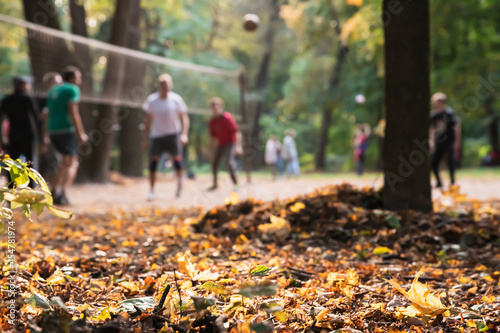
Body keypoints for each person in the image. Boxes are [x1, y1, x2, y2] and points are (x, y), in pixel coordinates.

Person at [142, 74, 190, 200]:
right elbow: (147, 121)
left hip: (173, 134)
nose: (165, 86)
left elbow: (184, 118)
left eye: (167, 84)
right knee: (153, 163)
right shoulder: (152, 100)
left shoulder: (176, 99)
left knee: (177, 161)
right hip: (157, 135)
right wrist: (144, 139)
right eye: (163, 84)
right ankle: (152, 190)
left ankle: (180, 183)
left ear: (170, 85)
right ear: (159, 86)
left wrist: (184, 134)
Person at [46, 67, 88, 205]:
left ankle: (54, 191)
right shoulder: (72, 89)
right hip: (65, 130)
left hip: (53, 131)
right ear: (72, 78)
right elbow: (73, 112)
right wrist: (80, 132)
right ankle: (62, 193)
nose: (80, 81)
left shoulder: (53, 90)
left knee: (63, 163)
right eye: (78, 77)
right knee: (72, 163)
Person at [0, 76, 41, 167]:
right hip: (27, 136)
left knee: (13, 164)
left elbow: (1, 120)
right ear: (22, 85)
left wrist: (2, 138)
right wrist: (41, 137)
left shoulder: (7, 100)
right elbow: (35, 119)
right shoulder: (28, 99)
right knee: (29, 165)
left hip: (13, 135)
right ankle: (29, 182)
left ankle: (12, 181)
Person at [429, 92, 461, 188]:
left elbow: (457, 128)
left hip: (449, 141)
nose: (436, 105)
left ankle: (452, 182)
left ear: (443, 103)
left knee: (450, 162)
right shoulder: (433, 115)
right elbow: (432, 129)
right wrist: (431, 140)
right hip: (439, 143)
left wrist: (456, 142)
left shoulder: (449, 114)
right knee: (434, 162)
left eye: (438, 102)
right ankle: (439, 182)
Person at [208, 97, 240, 191]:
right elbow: (213, 138)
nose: (215, 107)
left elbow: (236, 132)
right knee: (214, 163)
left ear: (221, 106)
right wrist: (211, 150)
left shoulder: (227, 118)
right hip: (220, 144)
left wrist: (238, 146)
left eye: (217, 105)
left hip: (230, 143)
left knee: (230, 163)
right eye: (213, 106)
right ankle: (215, 184)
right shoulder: (212, 121)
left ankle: (236, 184)